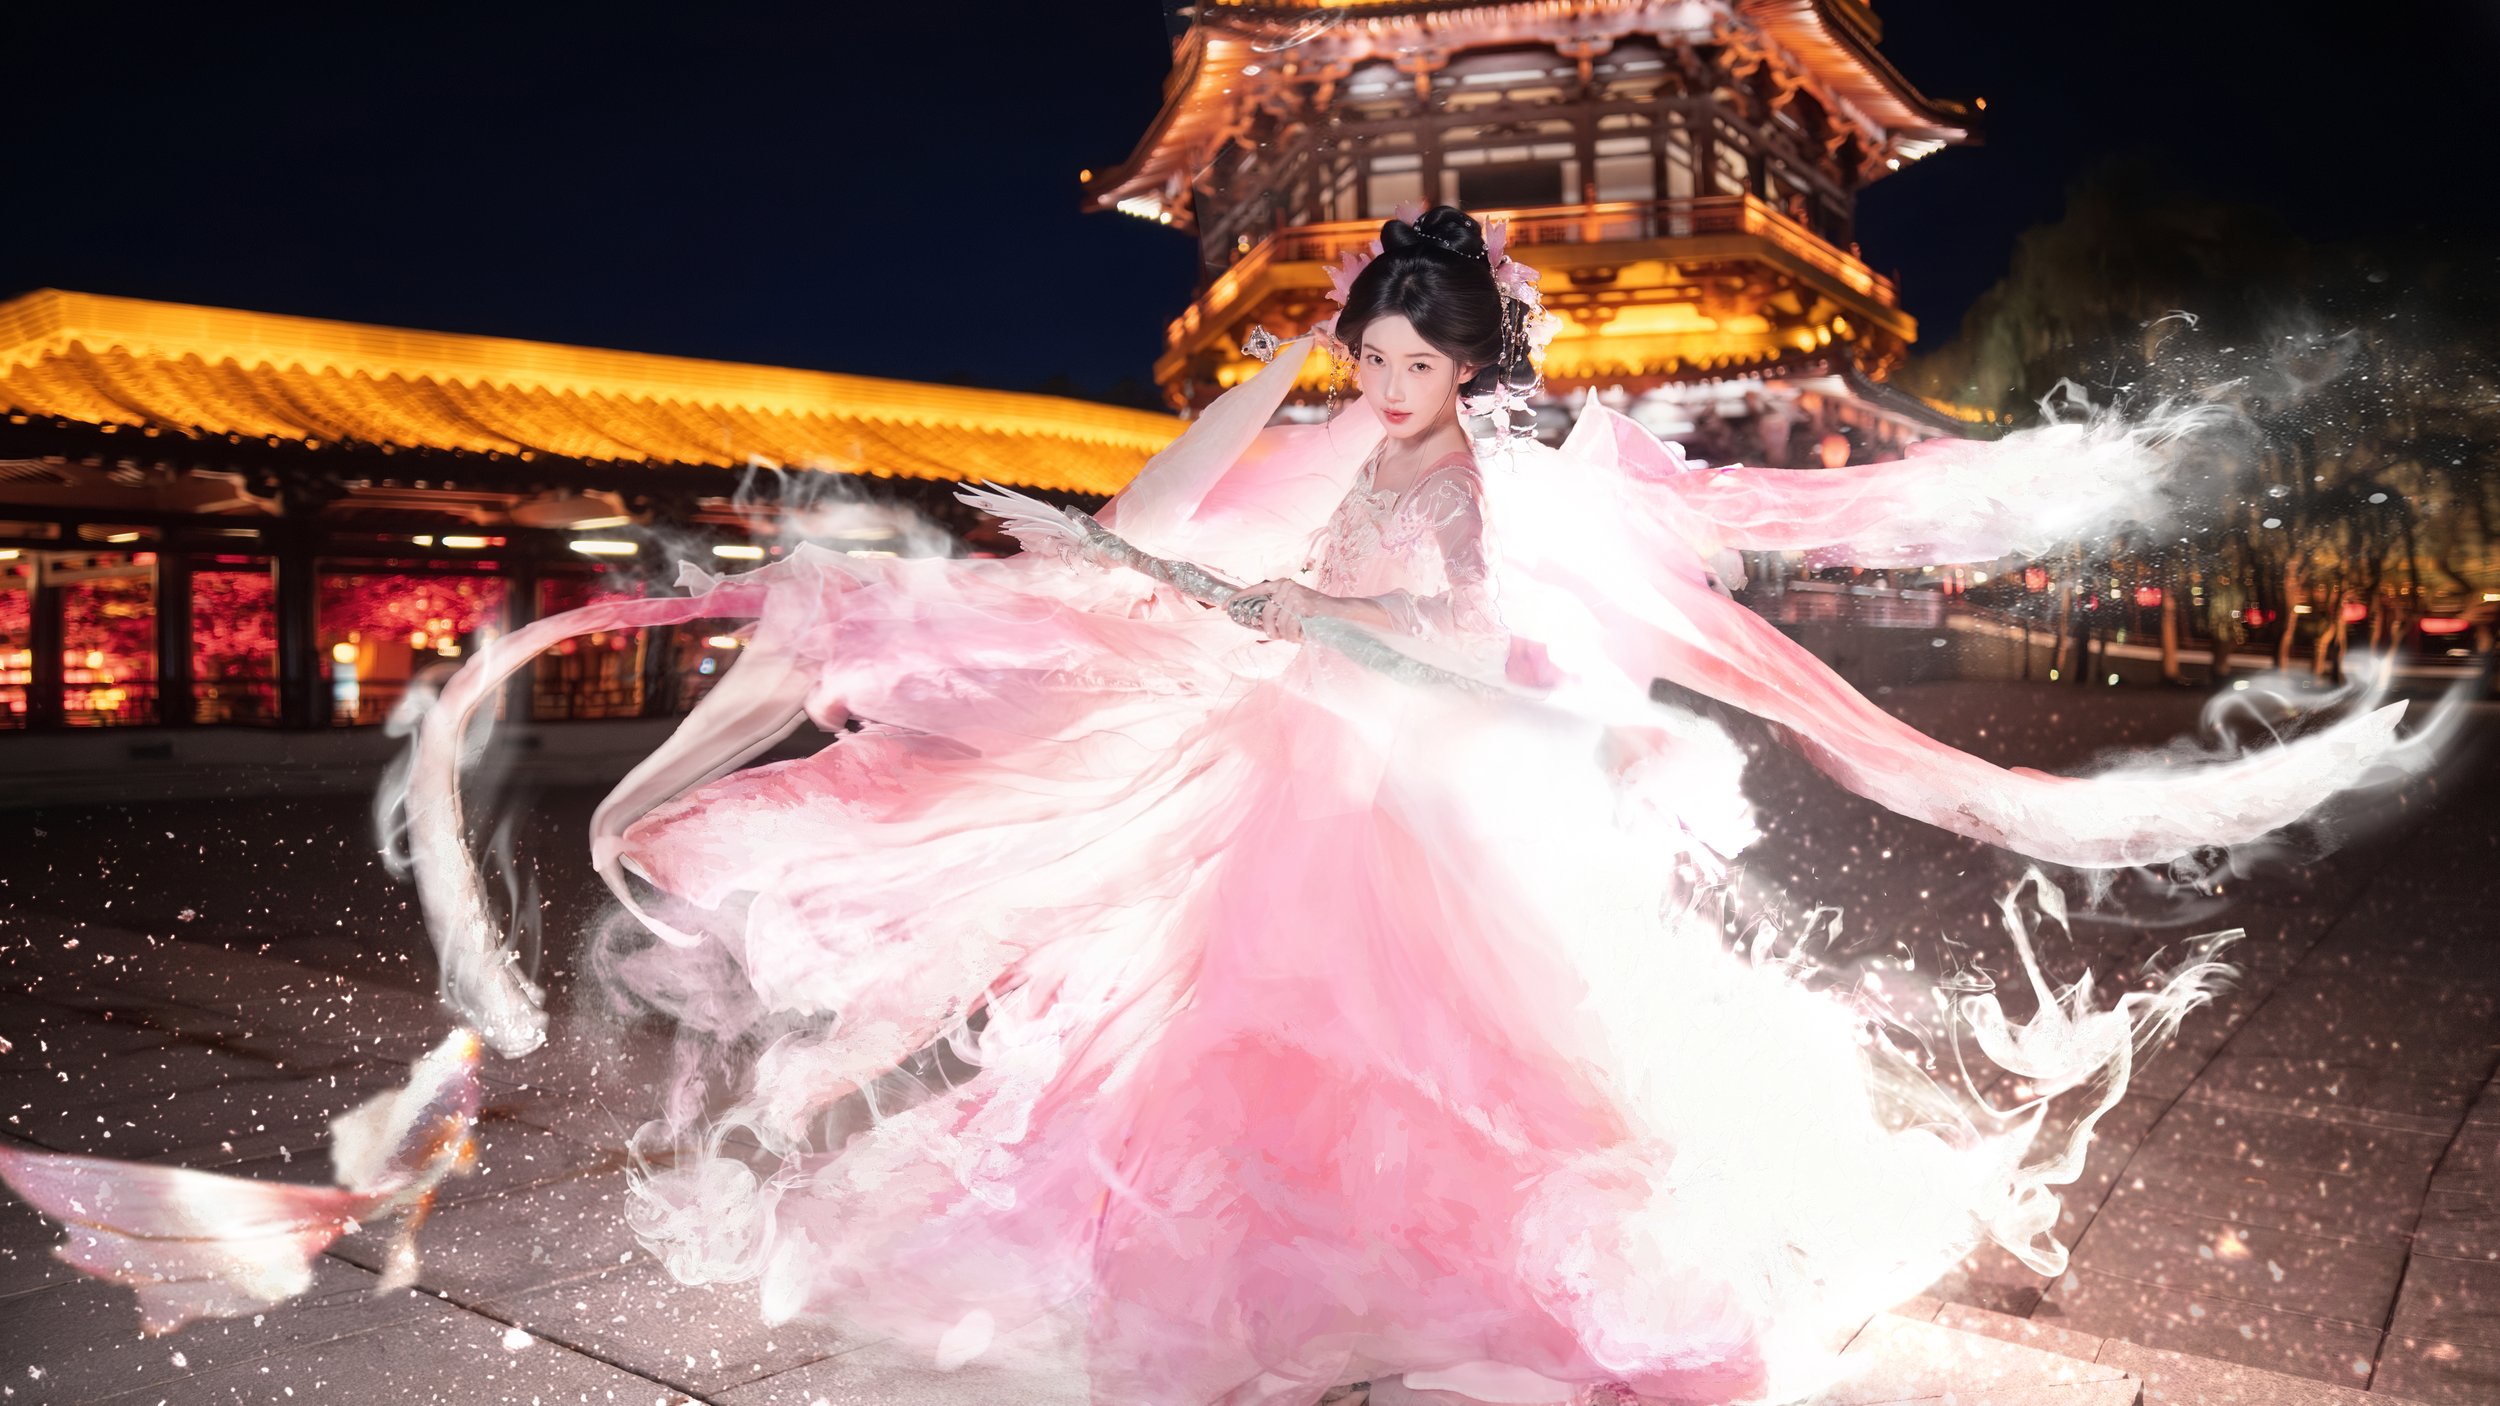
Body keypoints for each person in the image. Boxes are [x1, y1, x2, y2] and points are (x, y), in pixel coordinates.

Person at [386, 206, 2420, 1405]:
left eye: (1409, 357)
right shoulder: (1371, 440)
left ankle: (1414, 1287)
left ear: (1464, 370)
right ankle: (1322, 1283)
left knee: (1432, 1047)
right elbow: (1230, 554)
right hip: (1314, 752)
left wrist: (1172, 585)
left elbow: (1390, 647)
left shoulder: (1448, 479)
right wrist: (1193, 480)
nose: (1384, 378)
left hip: (1381, 776)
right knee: (1257, 1049)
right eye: (1367, 349)